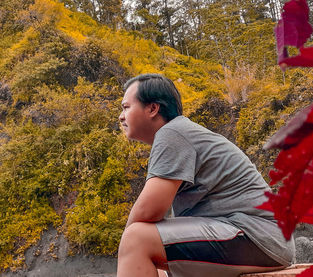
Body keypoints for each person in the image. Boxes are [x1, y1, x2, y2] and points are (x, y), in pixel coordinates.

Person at [116, 74, 294, 277]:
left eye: (126, 107)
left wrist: (127, 246)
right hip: (258, 238)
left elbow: (148, 211)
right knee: (155, 260)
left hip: (257, 236)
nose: (121, 116)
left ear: (152, 109)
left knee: (136, 239)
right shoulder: (178, 133)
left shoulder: (172, 133)